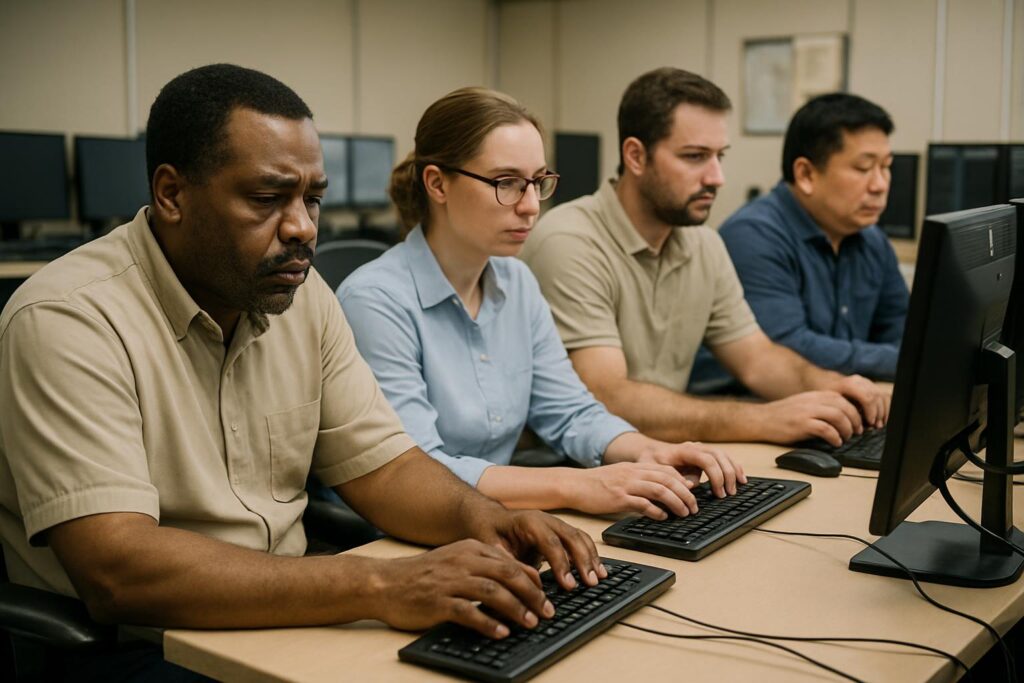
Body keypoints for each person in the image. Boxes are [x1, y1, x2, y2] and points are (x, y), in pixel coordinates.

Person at [0, 64, 604, 680]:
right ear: (172, 194)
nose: (303, 228)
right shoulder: (67, 318)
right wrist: (377, 583)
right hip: (138, 648)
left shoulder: (299, 295)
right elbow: (118, 570)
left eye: (311, 198)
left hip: (287, 614)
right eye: (267, 199)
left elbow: (386, 466)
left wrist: (491, 522)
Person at [337, 87, 744, 521]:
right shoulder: (376, 301)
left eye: (538, 182)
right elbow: (416, 470)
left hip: (499, 521)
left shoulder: (517, 282)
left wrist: (653, 452)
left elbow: (570, 413)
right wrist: (579, 485)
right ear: (437, 183)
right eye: (507, 183)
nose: (531, 206)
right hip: (406, 536)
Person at [521, 67, 890, 448]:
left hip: (661, 456)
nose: (716, 177)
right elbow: (606, 396)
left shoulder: (703, 245)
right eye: (695, 156)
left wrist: (836, 389)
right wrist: (765, 418)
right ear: (635, 156)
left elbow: (757, 359)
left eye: (719, 156)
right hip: (574, 467)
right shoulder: (570, 241)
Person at [700, 93, 909, 382]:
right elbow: (787, 347)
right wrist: (903, 363)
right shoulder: (753, 236)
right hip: (752, 408)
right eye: (863, 168)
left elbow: (904, 331)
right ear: (806, 174)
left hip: (839, 402)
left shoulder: (871, 240)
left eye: (886, 167)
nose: (880, 184)